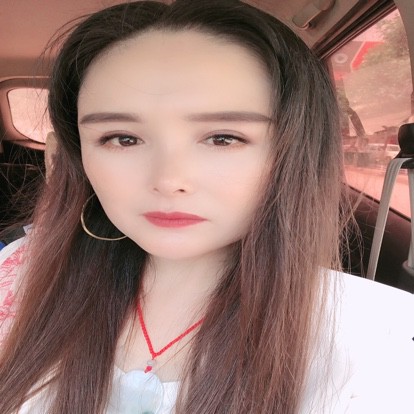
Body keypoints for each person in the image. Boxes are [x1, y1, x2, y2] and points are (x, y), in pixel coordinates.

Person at [0, 1, 413, 412]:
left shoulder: (384, 341)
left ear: (295, 152)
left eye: (222, 138)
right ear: (77, 157)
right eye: (123, 138)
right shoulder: (16, 274)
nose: (169, 180)